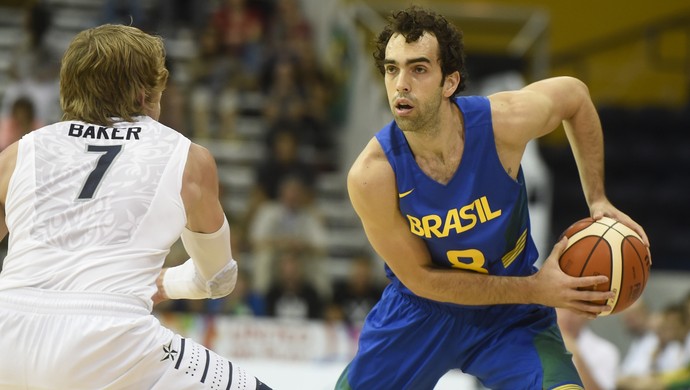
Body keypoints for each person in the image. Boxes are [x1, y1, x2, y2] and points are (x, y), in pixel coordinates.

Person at [335, 6, 649, 389]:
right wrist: (536, 289)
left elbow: (576, 97)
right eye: (391, 69)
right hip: (421, 313)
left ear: (449, 82)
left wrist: (597, 198)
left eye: (418, 69)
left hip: (509, 314)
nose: (401, 83)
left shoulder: (503, 124)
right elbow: (422, 279)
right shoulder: (373, 175)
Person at [0, 24, 272, 389]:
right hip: (111, 340)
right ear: (146, 94)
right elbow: (219, 279)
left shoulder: (19, 153)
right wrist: (168, 283)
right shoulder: (188, 158)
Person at [556, 308, 621, 389]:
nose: (567, 316)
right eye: (562, 309)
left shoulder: (605, 351)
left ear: (589, 315)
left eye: (574, 311)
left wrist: (576, 355)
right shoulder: (540, 342)